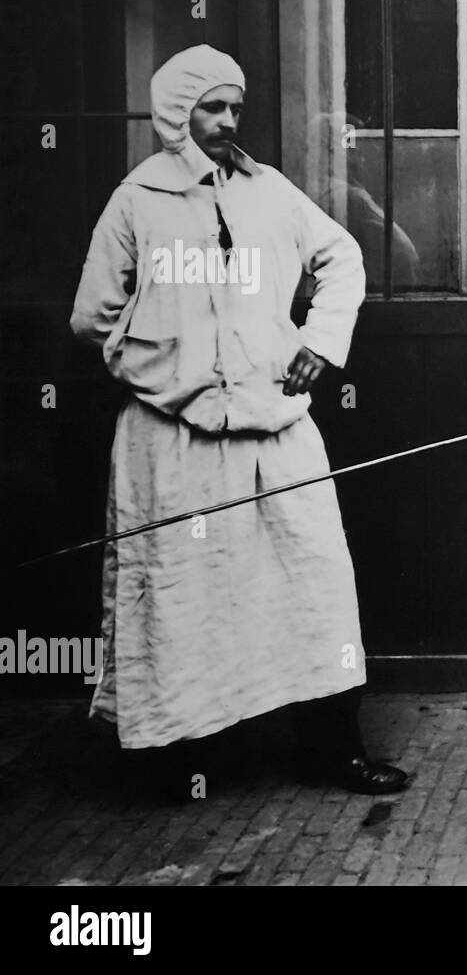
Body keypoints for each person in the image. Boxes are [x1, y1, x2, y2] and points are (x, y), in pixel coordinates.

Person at [70, 45, 407, 796]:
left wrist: (319, 344)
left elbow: (342, 258)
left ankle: (331, 750)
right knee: (186, 596)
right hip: (173, 443)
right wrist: (168, 365)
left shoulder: (270, 193)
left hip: (276, 432)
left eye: (234, 109)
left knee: (314, 587)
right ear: (175, 113)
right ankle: (184, 757)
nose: (226, 123)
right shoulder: (137, 201)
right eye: (211, 108)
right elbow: (92, 317)